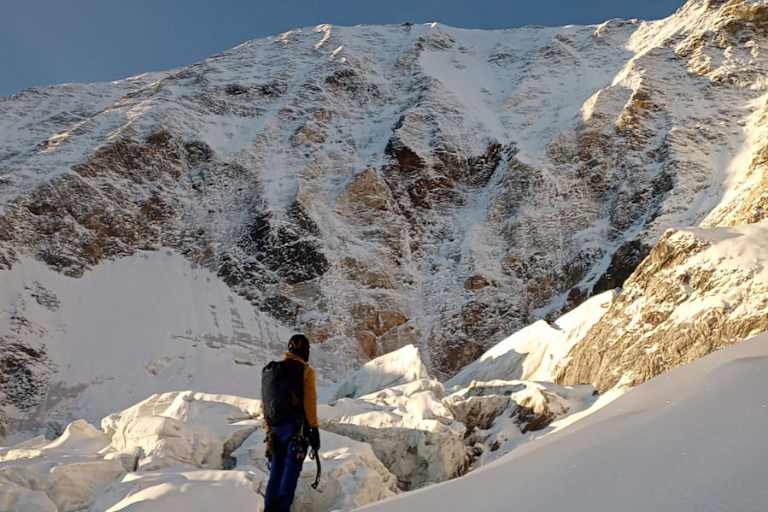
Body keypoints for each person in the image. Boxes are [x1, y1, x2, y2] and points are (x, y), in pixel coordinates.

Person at [261, 334, 321, 512]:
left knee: (275, 474)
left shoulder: (271, 371)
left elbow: (265, 404)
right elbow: (309, 402)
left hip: (274, 431)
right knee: (290, 474)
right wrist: (314, 429)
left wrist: (268, 430)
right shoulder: (305, 371)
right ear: (306, 351)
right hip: (295, 430)